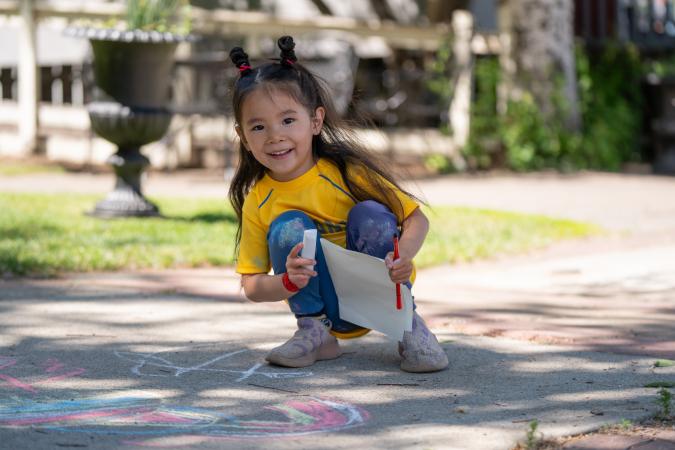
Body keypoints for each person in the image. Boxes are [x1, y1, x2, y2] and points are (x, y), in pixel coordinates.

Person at [228, 36, 448, 373]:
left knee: (371, 214)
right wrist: (288, 281)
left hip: (379, 296)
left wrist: (403, 254)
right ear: (243, 136)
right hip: (324, 308)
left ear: (315, 121)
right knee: (289, 227)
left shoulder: (346, 173)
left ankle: (409, 327)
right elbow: (252, 286)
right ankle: (315, 333)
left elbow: (416, 218)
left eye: (288, 121)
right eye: (258, 127)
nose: (274, 136)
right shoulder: (260, 198)